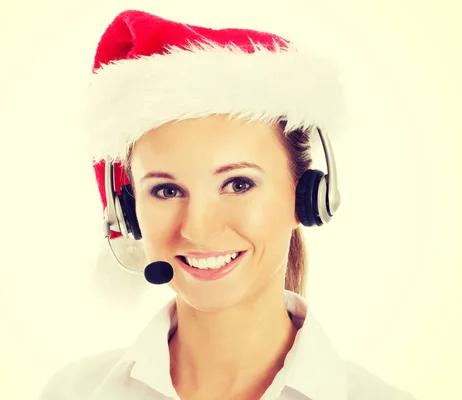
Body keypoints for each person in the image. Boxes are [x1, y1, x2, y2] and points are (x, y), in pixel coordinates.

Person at [39, 9, 417, 400]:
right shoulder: (74, 391)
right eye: (166, 191)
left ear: (307, 196)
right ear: (127, 212)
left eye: (238, 184)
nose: (198, 229)